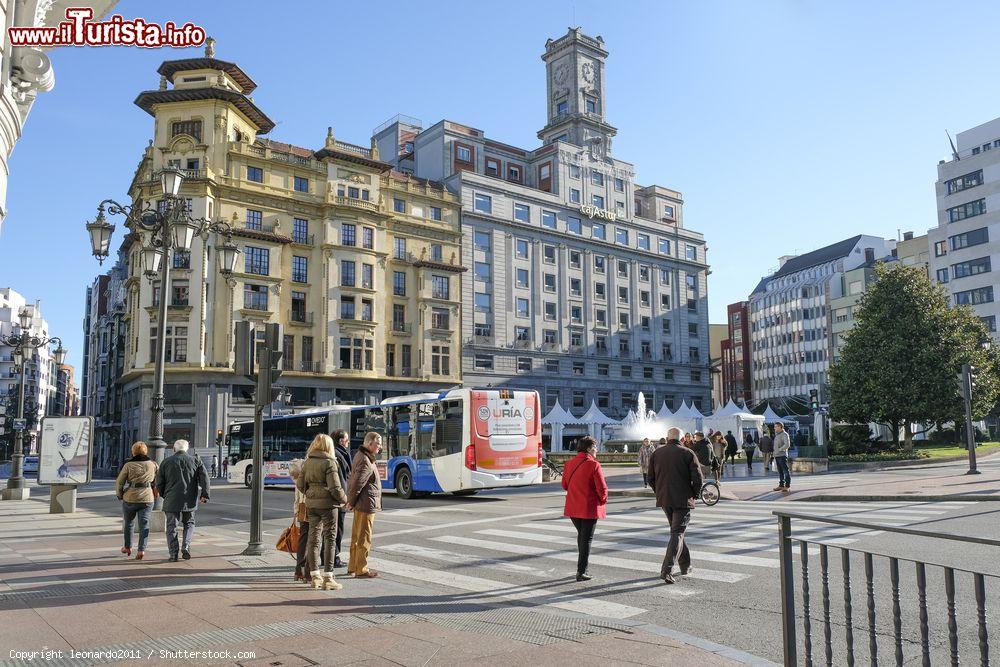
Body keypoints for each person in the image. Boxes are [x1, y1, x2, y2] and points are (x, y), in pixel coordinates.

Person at [648, 427, 703, 584]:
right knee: (677, 533)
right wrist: (694, 494)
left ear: (667, 437)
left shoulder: (657, 453)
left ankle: (685, 565)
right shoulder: (687, 453)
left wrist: (659, 491)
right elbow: (698, 478)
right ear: (682, 439)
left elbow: (650, 478)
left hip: (665, 499)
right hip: (683, 498)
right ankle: (667, 569)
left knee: (677, 531)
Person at [296, 433, 347, 590]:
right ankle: (328, 578)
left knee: (313, 539)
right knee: (330, 539)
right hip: (329, 505)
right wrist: (344, 499)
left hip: (312, 504)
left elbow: (300, 484)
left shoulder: (308, 462)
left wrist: (310, 492)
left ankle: (314, 576)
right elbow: (335, 487)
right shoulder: (330, 462)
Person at [155, 439, 210, 562]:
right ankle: (186, 545)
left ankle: (173, 554)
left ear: (174, 449)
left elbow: (159, 483)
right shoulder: (196, 461)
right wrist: (204, 495)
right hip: (189, 499)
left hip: (171, 499)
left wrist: (165, 495)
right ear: (187, 449)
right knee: (189, 523)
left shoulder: (166, 462)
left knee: (171, 526)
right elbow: (205, 478)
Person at [562, 435, 608, 582]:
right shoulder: (594, 465)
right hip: (589, 507)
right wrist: (603, 500)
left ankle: (582, 569)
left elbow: (564, 485)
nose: (596, 450)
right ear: (589, 449)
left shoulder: (569, 463)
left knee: (582, 537)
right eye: (594, 447)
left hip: (573, 507)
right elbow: (602, 488)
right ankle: (581, 571)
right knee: (586, 539)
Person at [346, 431, 383, 578]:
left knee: (357, 536)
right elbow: (357, 483)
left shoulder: (361, 456)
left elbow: (355, 481)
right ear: (369, 444)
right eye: (378, 444)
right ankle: (361, 569)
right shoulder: (366, 460)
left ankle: (353, 566)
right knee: (364, 537)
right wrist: (351, 501)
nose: (380, 447)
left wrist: (352, 501)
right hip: (366, 504)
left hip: (362, 502)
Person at [115, 441, 157, 560]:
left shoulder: (128, 465)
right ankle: (141, 550)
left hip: (130, 498)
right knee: (144, 524)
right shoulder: (152, 464)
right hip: (147, 498)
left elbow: (120, 482)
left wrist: (120, 494)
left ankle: (128, 547)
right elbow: (158, 478)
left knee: (129, 523)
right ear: (146, 451)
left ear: (133, 452)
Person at [332, 429, 353, 569]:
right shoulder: (338, 454)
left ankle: (329, 556)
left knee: (333, 529)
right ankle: (334, 557)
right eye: (346, 439)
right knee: (337, 529)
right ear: (340, 441)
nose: (348, 442)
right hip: (339, 499)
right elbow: (340, 479)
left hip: (337, 498)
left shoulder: (339, 453)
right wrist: (344, 498)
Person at [289, 458, 310, 582]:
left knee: (303, 539)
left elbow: (297, 495)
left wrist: (296, 511)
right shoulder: (308, 470)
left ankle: (299, 570)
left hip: (302, 507)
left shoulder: (299, 475)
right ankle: (305, 571)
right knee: (312, 541)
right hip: (311, 506)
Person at [773, 422, 792, 493]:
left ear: (780, 427)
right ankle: (781, 485)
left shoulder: (784, 434)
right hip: (777, 456)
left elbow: (787, 445)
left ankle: (787, 486)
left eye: (776, 427)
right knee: (780, 472)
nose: (774, 428)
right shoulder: (777, 435)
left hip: (782, 456)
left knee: (785, 471)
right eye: (774, 427)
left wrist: (779, 449)